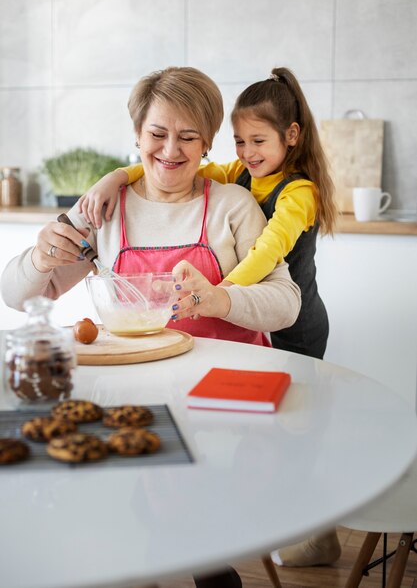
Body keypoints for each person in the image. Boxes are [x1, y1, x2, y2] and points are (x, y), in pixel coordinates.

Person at [1, 66, 302, 588]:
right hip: (138, 399)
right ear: (137, 135)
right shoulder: (105, 208)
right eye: (157, 134)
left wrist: (219, 298)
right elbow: (20, 294)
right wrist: (41, 258)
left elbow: (285, 302)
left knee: (203, 534)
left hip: (222, 402)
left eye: (188, 136)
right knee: (134, 526)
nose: (170, 150)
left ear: (208, 143)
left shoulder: (232, 207)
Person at [76, 66, 341, 567]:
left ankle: (307, 524)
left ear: (291, 136)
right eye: (239, 141)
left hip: (296, 327)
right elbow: (167, 168)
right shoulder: (239, 175)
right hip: (187, 371)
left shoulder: (295, 193)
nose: (246, 152)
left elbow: (266, 256)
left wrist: (219, 294)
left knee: (294, 437)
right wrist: (116, 175)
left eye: (257, 140)